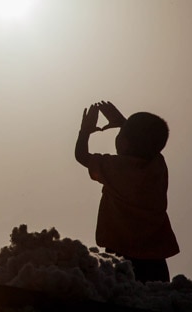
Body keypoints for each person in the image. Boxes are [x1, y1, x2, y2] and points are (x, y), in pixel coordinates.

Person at [74, 101, 179, 282]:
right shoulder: (157, 166)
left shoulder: (117, 169)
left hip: (123, 255)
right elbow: (146, 143)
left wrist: (85, 130)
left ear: (123, 142)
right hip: (156, 258)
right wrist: (123, 123)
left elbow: (81, 155)